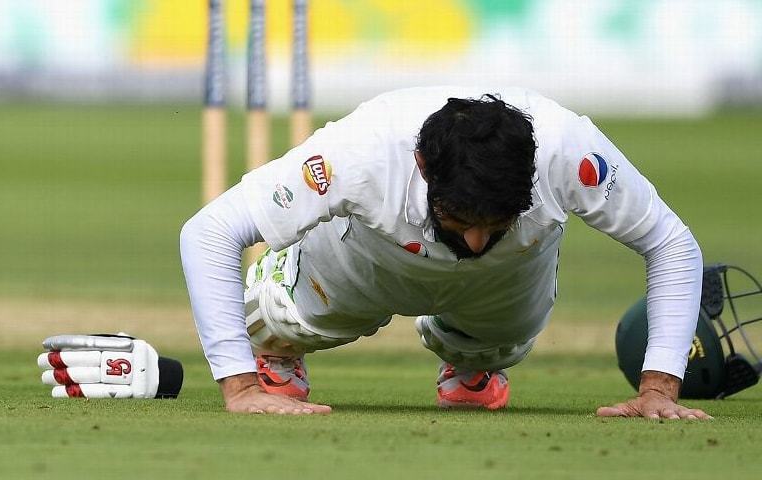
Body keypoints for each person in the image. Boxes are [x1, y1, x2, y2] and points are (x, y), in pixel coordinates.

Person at [180, 86, 711, 419]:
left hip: (509, 277)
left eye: (494, 223)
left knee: (496, 347)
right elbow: (209, 232)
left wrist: (659, 387)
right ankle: (274, 349)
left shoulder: (569, 152)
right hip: (367, 255)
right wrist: (240, 386)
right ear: (424, 167)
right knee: (281, 320)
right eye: (463, 221)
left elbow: (671, 244)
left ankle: (470, 361)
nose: (476, 243)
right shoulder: (362, 149)